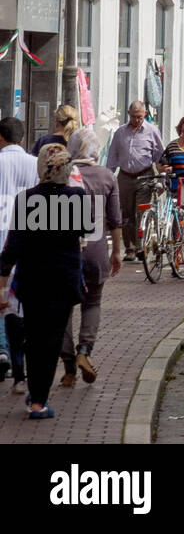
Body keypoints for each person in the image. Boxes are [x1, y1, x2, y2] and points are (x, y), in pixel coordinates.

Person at [0, 145, 94, 419]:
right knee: (52, 340)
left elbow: (13, 247)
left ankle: (36, 393)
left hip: (33, 280)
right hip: (63, 280)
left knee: (34, 337)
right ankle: (39, 399)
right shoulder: (76, 196)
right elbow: (85, 228)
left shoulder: (26, 199)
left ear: (42, 167)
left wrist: (2, 282)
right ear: (66, 169)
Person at [59, 127, 122, 388]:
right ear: (96, 149)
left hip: (66, 251)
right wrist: (118, 251)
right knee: (92, 302)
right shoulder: (106, 176)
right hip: (96, 249)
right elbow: (115, 219)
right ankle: (85, 351)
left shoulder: (63, 175)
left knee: (63, 308)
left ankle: (69, 367)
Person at [0, 117, 38, 390]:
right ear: (22, 139)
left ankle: (3, 350)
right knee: (18, 302)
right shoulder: (35, 165)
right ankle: (19, 363)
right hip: (25, 241)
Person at [105, 101, 164, 260]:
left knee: (141, 212)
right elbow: (112, 156)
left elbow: (160, 156)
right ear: (129, 114)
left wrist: (162, 177)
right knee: (126, 213)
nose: (136, 120)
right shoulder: (120, 132)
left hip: (145, 175)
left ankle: (141, 247)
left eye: (139, 117)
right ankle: (130, 249)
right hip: (124, 176)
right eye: (133, 117)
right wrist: (107, 177)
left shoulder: (152, 131)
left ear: (145, 114)